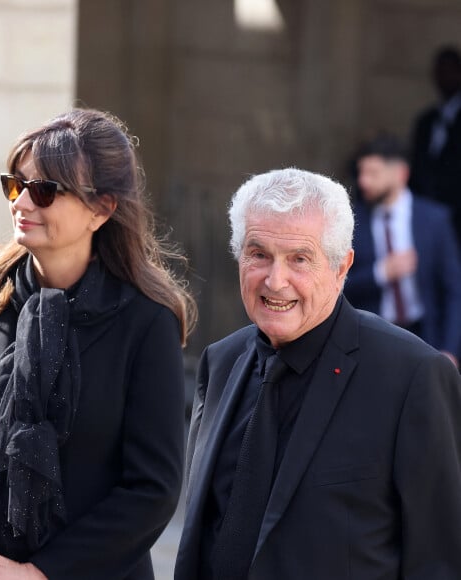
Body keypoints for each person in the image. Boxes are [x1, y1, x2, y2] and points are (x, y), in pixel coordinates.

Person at [0, 107, 197, 580]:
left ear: (102, 209)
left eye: (44, 191)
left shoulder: (145, 321)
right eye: (15, 185)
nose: (21, 203)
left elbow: (151, 490)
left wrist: (38, 573)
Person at [174, 168, 461, 580]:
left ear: (342, 267)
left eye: (299, 259)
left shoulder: (413, 376)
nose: (276, 280)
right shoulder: (221, 362)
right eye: (258, 254)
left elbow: (441, 563)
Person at [344, 134, 461, 367]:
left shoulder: (434, 219)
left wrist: (449, 349)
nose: (364, 182)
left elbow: (454, 291)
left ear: (400, 174)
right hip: (371, 339)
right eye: (362, 173)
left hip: (426, 336)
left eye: (373, 173)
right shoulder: (351, 221)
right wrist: (380, 273)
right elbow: (337, 285)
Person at [410, 45, 461, 246]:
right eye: (439, 71)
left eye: (450, 71)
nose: (444, 77)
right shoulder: (427, 120)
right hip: (427, 209)